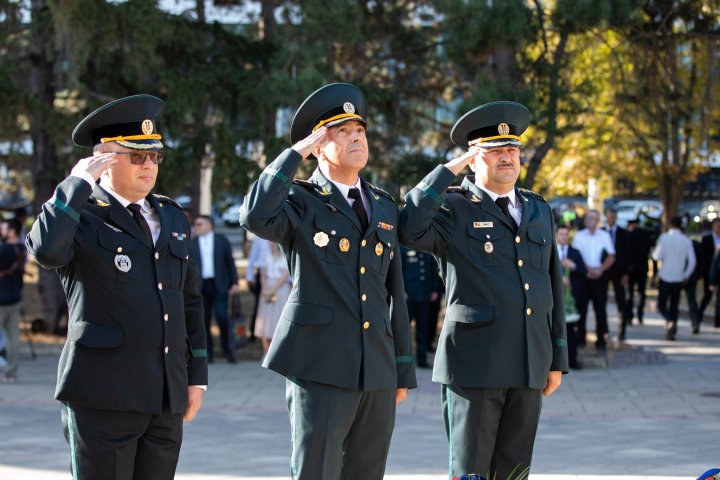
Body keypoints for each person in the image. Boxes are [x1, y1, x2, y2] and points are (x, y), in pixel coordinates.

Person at [239, 83, 416, 480]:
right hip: (319, 362)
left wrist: (401, 367)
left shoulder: (384, 203)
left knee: (367, 472)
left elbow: (394, 292)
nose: (356, 137)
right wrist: (294, 155)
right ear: (318, 145)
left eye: (361, 130)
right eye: (341, 131)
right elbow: (254, 216)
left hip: (376, 366)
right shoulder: (300, 199)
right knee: (316, 470)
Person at [26, 94, 207, 480]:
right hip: (104, 394)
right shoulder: (81, 214)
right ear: (104, 160)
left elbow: (189, 301)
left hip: (164, 394)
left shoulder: (171, 214)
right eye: (136, 156)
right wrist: (77, 181)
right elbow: (45, 250)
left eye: (155, 156)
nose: (149, 165)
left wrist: (197, 376)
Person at [399, 101, 567, 479]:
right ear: (474, 159)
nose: (506, 158)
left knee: (515, 470)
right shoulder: (454, 208)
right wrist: (448, 172)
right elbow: (409, 227)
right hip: (474, 364)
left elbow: (550, 284)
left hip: (529, 360)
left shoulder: (538, 208)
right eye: (493, 151)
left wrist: (557, 358)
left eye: (512, 149)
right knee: (471, 470)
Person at [190, 214, 240, 363]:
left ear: (209, 225)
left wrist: (235, 282)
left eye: (200, 224)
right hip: (201, 286)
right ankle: (208, 353)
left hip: (219, 284)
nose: (196, 227)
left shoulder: (221, 240)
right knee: (204, 321)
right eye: (196, 224)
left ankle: (227, 350)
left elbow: (230, 262)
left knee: (222, 318)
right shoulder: (192, 243)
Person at [571, 209, 615, 349]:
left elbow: (611, 256)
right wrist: (587, 270)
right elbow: (576, 255)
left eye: (594, 218)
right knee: (581, 308)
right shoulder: (579, 236)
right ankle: (580, 339)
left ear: (598, 221)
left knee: (600, 309)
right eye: (589, 218)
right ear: (585, 220)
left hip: (599, 277)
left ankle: (601, 339)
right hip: (584, 277)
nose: (591, 220)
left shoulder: (604, 235)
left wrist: (600, 269)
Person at [652, 216, 696, 340]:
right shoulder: (686, 240)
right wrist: (686, 274)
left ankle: (669, 321)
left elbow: (657, 256)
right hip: (678, 276)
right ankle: (672, 327)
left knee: (662, 304)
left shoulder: (664, 238)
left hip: (665, 275)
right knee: (674, 305)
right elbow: (692, 261)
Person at [401, 246, 441, 368]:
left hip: (425, 295)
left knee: (422, 329)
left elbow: (435, 270)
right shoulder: (404, 249)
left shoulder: (427, 248)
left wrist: (435, 289)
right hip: (408, 296)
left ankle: (422, 359)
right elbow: (399, 270)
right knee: (403, 330)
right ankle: (403, 361)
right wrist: (401, 289)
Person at [556, 224, 586, 368]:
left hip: (571, 300)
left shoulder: (575, 253)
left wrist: (572, 266)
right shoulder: (550, 251)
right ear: (556, 235)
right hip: (554, 299)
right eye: (561, 234)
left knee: (571, 332)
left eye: (566, 234)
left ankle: (572, 361)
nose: (564, 237)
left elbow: (583, 272)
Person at [0, 220, 26, 383]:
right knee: (13, 337)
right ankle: (11, 372)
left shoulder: (3, 250)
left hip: (1, 298)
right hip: (15, 297)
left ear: (12, 232)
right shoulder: (22, 250)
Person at [253, 242, 290, 353]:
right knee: (265, 320)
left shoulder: (286, 258)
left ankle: (279, 351)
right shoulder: (266, 256)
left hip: (281, 290)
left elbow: (283, 277)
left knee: (278, 318)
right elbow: (263, 274)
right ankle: (266, 351)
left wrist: (271, 291)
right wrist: (265, 289)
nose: (269, 244)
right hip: (267, 288)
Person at [603, 208, 631, 339]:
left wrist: (626, 273)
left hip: (619, 271)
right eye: (609, 217)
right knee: (601, 301)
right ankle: (604, 331)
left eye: (613, 217)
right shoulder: (601, 232)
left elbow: (628, 254)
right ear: (606, 217)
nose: (611, 219)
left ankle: (622, 331)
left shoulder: (624, 233)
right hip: (604, 271)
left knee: (621, 301)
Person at [624, 218, 654, 325]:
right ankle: (640, 315)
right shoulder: (646, 235)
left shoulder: (628, 235)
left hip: (631, 269)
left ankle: (629, 316)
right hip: (642, 267)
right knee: (641, 292)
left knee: (630, 293)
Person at [244, 234, 271, 342]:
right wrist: (249, 276)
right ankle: (255, 332)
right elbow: (252, 258)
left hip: (279, 275)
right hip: (262, 275)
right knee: (259, 304)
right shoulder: (259, 238)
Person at [699, 218, 720, 328]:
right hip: (709, 272)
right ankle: (699, 315)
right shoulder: (707, 239)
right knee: (707, 296)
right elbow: (703, 258)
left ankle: (717, 321)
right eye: (717, 226)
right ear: (713, 226)